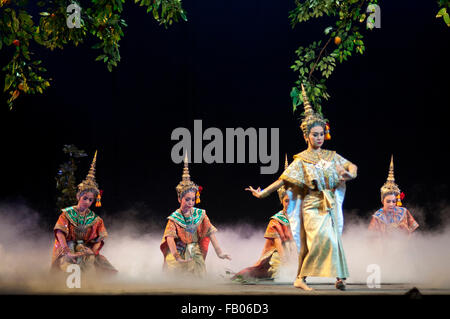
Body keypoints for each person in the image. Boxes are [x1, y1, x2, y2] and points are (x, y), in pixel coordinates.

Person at [246, 84, 357, 291]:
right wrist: (262, 194)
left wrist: (349, 173)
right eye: (315, 134)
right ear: (306, 136)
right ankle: (302, 278)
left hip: (329, 203)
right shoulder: (301, 160)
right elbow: (282, 180)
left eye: (321, 134)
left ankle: (339, 277)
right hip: (312, 205)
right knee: (317, 241)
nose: (319, 138)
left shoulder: (330, 156)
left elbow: (351, 166)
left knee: (333, 239)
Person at [160, 154, 231, 277]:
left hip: (194, 249)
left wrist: (219, 253)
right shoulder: (174, 218)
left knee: (198, 270)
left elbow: (210, 233)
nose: (190, 203)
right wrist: (177, 257)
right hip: (179, 250)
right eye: (187, 199)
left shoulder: (200, 214)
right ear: (179, 198)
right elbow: (170, 238)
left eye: (193, 200)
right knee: (174, 272)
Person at [51, 151, 117, 275]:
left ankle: (90, 286)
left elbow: (99, 239)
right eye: (85, 198)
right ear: (78, 196)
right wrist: (67, 251)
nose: (87, 202)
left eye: (91, 199)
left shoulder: (96, 219)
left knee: (96, 262)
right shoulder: (66, 214)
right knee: (67, 262)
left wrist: (92, 251)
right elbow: (60, 233)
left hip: (85, 248)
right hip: (67, 246)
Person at [232, 156, 297, 282]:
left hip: (296, 254)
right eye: (287, 201)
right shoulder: (276, 221)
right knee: (284, 276)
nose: (290, 204)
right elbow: (279, 247)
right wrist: (288, 265)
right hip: (281, 257)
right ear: (282, 201)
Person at [368, 155, 419, 235]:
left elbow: (413, 233)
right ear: (382, 201)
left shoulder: (403, 212)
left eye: (393, 201)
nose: (391, 204)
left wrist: (405, 230)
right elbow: (371, 238)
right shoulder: (378, 217)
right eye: (388, 201)